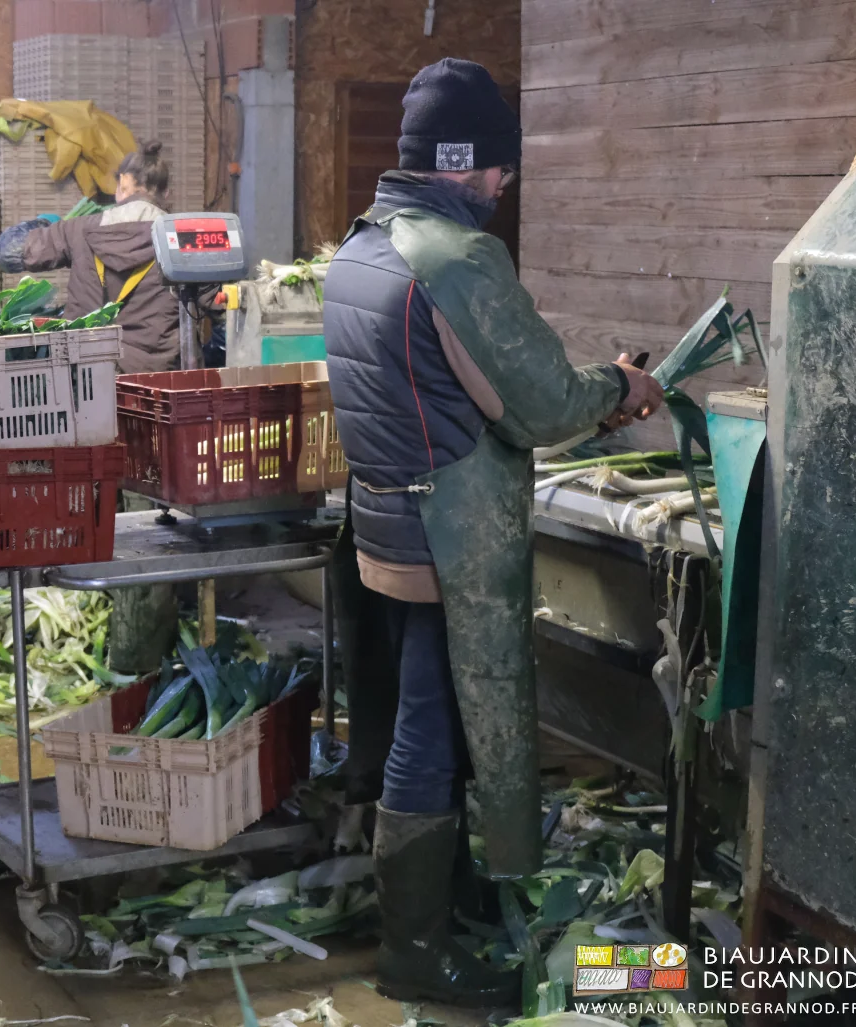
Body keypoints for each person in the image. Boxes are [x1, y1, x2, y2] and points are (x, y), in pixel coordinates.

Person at [323, 58, 663, 1007]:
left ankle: (444, 895)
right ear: (465, 164)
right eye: (501, 167)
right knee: (434, 729)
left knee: (425, 717)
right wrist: (616, 390)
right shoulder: (456, 258)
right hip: (449, 542)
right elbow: (538, 403)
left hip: (388, 527)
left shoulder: (361, 247)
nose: (507, 185)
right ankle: (415, 950)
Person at [0, 140, 180, 373]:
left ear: (121, 188)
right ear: (165, 193)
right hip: (160, 382)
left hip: (86, 373)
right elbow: (215, 306)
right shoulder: (183, 239)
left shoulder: (78, 229)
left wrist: (44, 224)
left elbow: (7, 253)